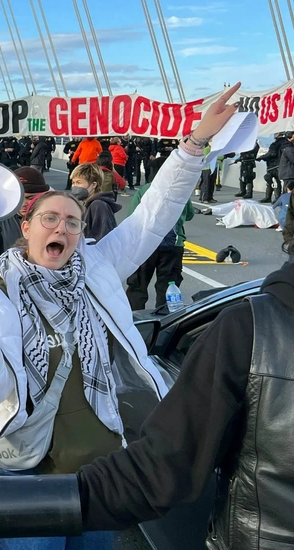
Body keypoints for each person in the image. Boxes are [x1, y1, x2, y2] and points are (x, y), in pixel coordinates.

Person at [0, 83, 241, 550]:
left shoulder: (98, 269)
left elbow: (153, 215)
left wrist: (193, 145)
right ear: (25, 228)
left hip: (102, 474)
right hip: (35, 472)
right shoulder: (0, 291)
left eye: (73, 222)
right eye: (50, 218)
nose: (63, 228)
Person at [77, 148, 294, 550]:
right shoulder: (6, 287)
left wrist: (54, 496)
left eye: (71, 221)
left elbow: (165, 464)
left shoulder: (252, 328)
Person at [125, 157, 195, 310]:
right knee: (169, 286)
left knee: (138, 285)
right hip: (173, 244)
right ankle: (165, 322)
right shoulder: (181, 190)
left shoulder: (145, 190)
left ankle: (135, 321)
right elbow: (189, 214)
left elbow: (133, 217)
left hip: (145, 245)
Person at [0, 167, 48, 274]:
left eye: (31, 198)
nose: (24, 203)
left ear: (44, 196)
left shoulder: (55, 221)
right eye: (18, 197)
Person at [70, 163, 120, 242]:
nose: (74, 186)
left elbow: (102, 239)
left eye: (79, 182)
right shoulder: (86, 204)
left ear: (93, 185)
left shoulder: (98, 205)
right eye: (73, 182)